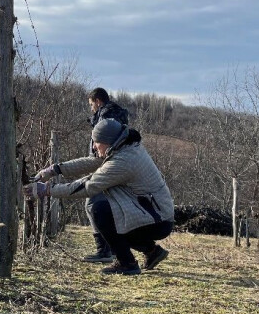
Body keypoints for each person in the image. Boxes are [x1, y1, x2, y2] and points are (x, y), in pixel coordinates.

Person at [25, 118, 173, 275]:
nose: (94, 146)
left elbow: (88, 186)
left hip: (157, 219)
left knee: (100, 210)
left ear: (108, 141)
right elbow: (93, 161)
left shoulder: (124, 160)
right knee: (107, 210)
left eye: (96, 142)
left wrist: (47, 190)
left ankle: (127, 263)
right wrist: (54, 170)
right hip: (154, 213)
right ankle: (152, 252)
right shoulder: (123, 147)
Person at [63, 88, 129, 263]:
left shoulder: (105, 118)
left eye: (91, 105)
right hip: (113, 167)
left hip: (106, 167)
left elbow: (103, 146)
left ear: (98, 101)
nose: (91, 108)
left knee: (91, 203)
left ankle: (105, 251)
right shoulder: (117, 116)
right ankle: (111, 250)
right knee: (102, 206)